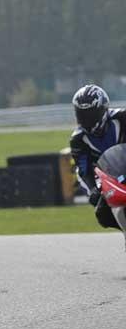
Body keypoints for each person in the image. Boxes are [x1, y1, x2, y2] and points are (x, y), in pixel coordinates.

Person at [70, 84, 126, 229]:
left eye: (90, 115)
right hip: (110, 179)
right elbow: (83, 169)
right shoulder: (78, 139)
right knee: (102, 214)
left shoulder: (122, 118)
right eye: (81, 115)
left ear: (103, 110)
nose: (86, 120)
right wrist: (92, 190)